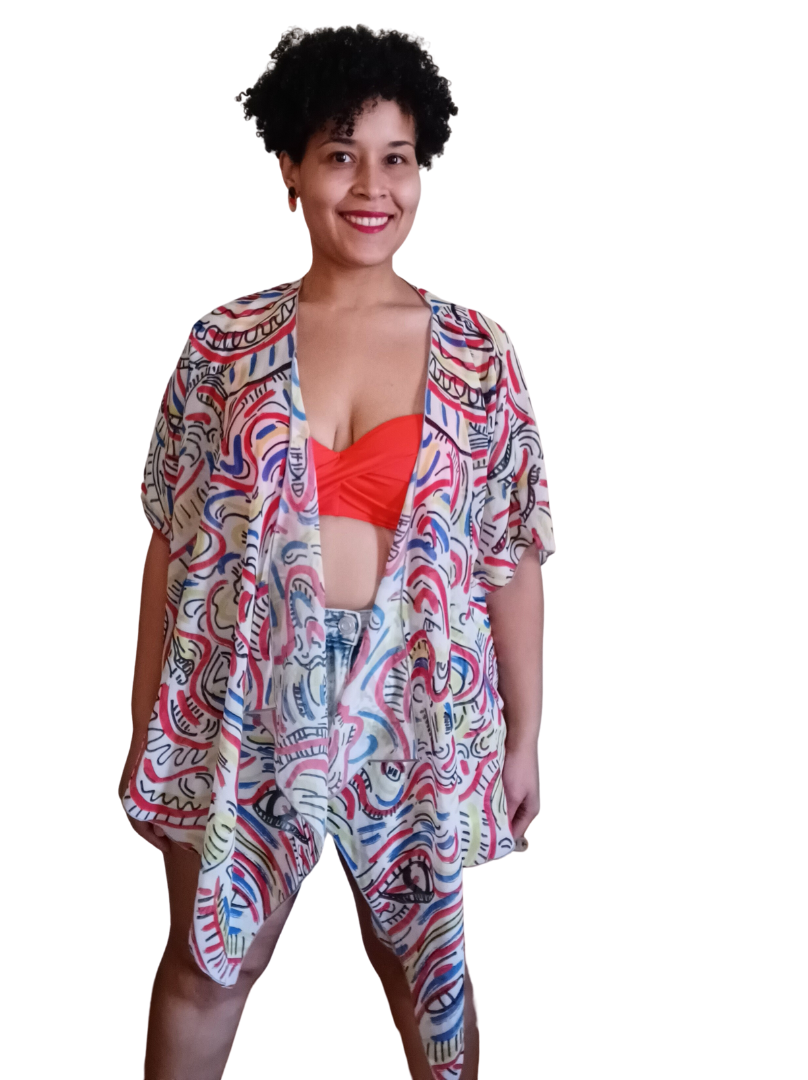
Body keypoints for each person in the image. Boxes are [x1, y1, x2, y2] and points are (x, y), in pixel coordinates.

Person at [118, 25, 556, 1080]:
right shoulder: (223, 346)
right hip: (244, 695)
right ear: (290, 168)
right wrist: (147, 728)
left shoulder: (478, 353)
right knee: (210, 961)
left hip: (416, 702)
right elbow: (173, 549)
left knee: (426, 977)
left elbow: (511, 557)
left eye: (396, 158)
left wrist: (526, 735)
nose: (372, 187)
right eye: (340, 155)